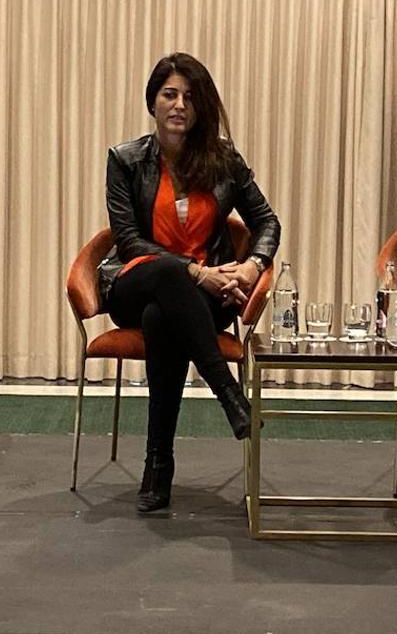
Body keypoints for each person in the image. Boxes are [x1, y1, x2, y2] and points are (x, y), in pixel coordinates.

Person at [100, 52, 280, 513]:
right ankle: (228, 393)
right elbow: (129, 240)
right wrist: (196, 270)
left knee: (164, 316)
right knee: (165, 273)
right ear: (152, 102)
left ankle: (158, 465)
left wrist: (251, 267)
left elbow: (267, 223)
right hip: (135, 283)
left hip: (202, 299)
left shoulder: (223, 160)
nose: (179, 104)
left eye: (189, 96)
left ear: (202, 107)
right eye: (169, 94)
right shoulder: (125, 160)